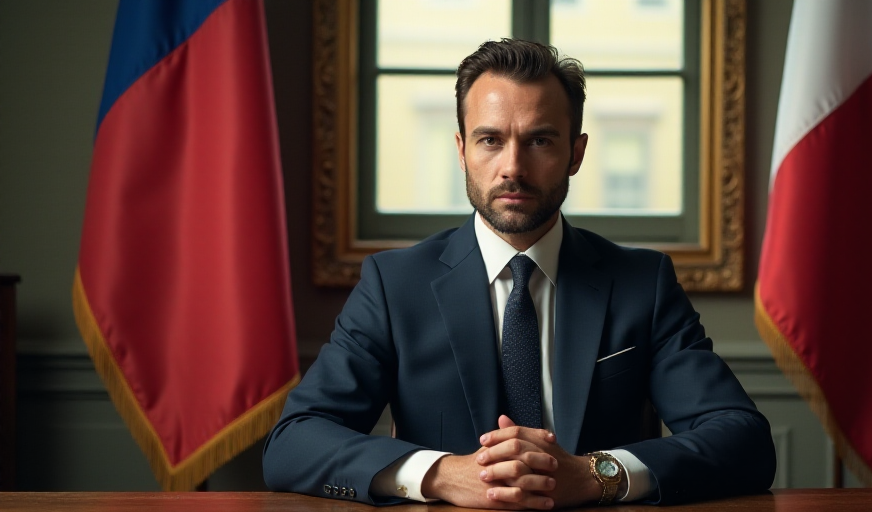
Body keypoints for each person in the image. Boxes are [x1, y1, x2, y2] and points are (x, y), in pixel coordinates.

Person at [263, 38, 775, 508]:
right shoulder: (395, 285)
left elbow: (743, 440)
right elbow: (294, 441)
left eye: (540, 142)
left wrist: (597, 474)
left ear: (576, 153)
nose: (513, 166)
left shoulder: (643, 283)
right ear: (461, 151)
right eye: (490, 140)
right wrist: (441, 474)